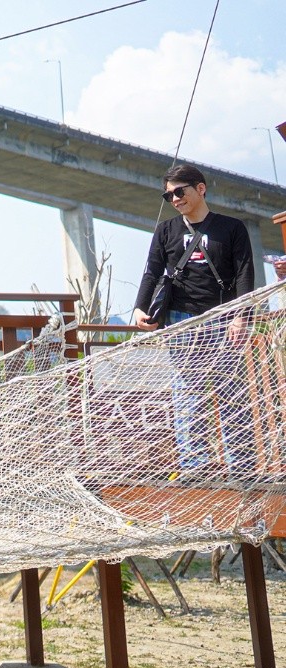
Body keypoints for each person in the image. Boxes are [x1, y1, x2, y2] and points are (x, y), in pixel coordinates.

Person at [132, 164, 255, 478]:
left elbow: (244, 275)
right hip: (181, 322)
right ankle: (195, 469)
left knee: (233, 394)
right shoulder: (166, 230)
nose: (174, 198)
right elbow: (152, 271)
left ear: (200, 189)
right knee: (189, 396)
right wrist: (139, 308)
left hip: (224, 319)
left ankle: (242, 468)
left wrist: (241, 315)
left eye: (180, 191)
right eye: (168, 194)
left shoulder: (232, 228)